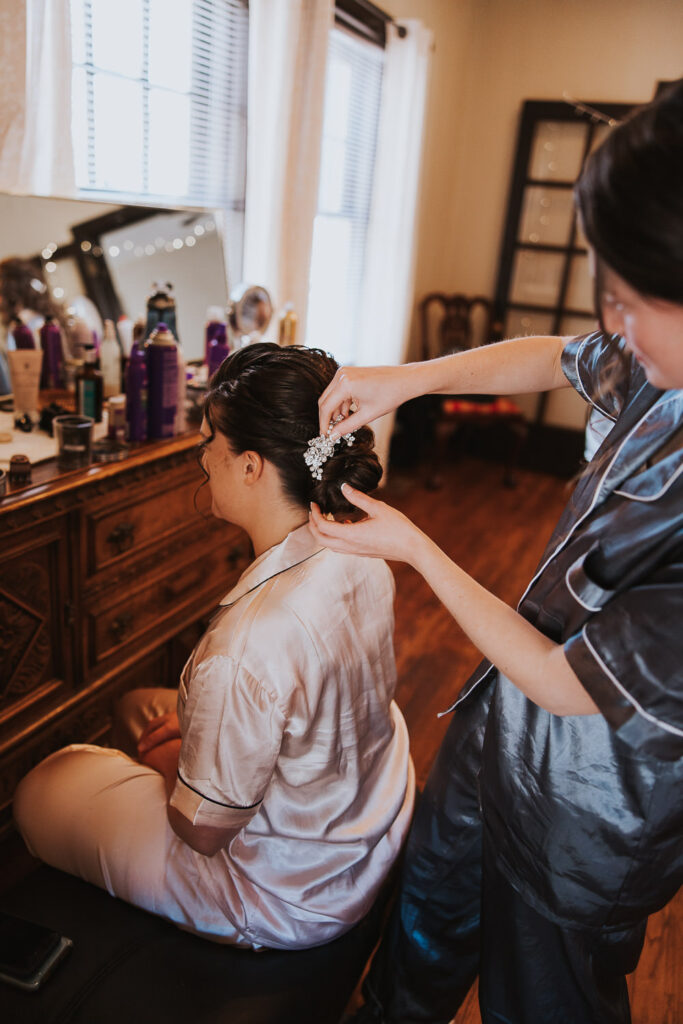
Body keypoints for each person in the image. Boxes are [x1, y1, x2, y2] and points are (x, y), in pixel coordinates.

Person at [309, 79, 683, 1022]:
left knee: (543, 997)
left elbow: (567, 683)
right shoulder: (654, 367)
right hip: (495, 729)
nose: (611, 325)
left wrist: (418, 552)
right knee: (420, 933)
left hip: (590, 813)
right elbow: (552, 356)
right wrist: (404, 380)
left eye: (631, 301)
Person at [14, 343, 415, 950]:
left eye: (209, 441)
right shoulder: (362, 547)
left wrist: (172, 764)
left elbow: (203, 834)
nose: (201, 458)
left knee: (42, 786)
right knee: (131, 706)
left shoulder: (246, 643)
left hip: (280, 891)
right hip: (365, 819)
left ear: (251, 465)